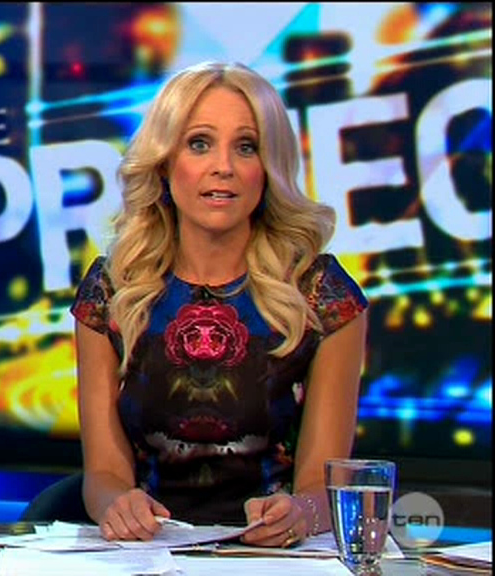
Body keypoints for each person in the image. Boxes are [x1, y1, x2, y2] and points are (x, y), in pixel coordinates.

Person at [72, 61, 368, 548]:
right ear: (164, 162)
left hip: (275, 559)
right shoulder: (113, 290)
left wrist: (299, 513)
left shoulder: (320, 294)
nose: (223, 166)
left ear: (268, 168)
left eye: (246, 146)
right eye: (199, 143)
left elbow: (322, 484)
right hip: (147, 555)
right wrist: (117, 506)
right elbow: (103, 474)